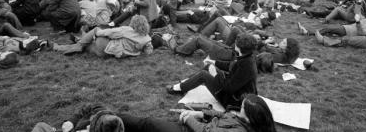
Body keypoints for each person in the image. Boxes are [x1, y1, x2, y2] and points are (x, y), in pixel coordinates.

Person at [166, 33, 258, 108]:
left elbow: (228, 88)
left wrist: (216, 74)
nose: (234, 44)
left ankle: (179, 88)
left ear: (239, 47)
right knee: (208, 67)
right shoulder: (246, 57)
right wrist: (214, 62)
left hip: (234, 101)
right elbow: (231, 66)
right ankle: (185, 84)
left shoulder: (246, 65)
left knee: (203, 75)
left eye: (236, 43)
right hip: (236, 93)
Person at [118, 94, 276, 132]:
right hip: (198, 125)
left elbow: (205, 131)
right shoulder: (244, 120)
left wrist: (188, 118)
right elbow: (223, 115)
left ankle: (109, 118)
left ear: (249, 116)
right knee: (150, 125)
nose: (238, 108)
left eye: (241, 107)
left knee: (148, 122)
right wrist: (200, 114)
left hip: (192, 130)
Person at [51, 15, 153, 58]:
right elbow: (149, 51)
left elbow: (109, 32)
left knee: (96, 30)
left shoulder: (126, 30)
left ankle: (79, 42)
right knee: (86, 45)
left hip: (107, 47)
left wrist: (98, 32)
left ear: (133, 23)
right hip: (113, 54)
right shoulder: (147, 39)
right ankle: (60, 46)